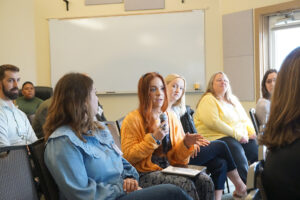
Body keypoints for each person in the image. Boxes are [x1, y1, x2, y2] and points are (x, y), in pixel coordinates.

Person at [43, 73, 192, 200]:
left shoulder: (98, 130)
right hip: (112, 197)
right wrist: (122, 187)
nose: (97, 98)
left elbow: (124, 162)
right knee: (172, 193)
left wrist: (130, 178)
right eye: (94, 93)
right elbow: (81, 194)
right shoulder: (63, 142)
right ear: (80, 101)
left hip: (121, 193)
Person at [121, 72, 214, 200]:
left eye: (162, 88)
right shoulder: (132, 119)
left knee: (205, 181)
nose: (159, 93)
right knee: (186, 184)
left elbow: (178, 159)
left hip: (170, 169)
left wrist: (185, 144)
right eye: (153, 89)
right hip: (145, 173)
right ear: (144, 93)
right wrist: (154, 139)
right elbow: (128, 157)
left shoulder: (170, 116)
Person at [165, 74, 247, 200]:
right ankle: (240, 186)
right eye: (174, 86)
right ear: (164, 87)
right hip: (177, 157)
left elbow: (183, 137)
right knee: (222, 145)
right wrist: (188, 145)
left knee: (221, 162)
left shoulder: (176, 110)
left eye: (181, 88)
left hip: (186, 150)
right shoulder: (162, 112)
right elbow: (171, 144)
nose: (177, 90)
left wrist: (191, 144)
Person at [193, 72, 258, 183]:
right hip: (215, 138)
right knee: (235, 147)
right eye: (219, 80)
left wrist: (250, 132)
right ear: (211, 84)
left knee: (254, 148)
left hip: (235, 137)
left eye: (225, 80)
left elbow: (244, 118)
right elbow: (213, 122)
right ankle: (246, 187)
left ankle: (260, 183)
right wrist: (237, 135)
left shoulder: (233, 99)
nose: (223, 82)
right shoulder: (208, 99)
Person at [260, 47, 300, 200]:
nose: (272, 84)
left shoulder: (285, 139)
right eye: (268, 81)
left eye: (274, 80)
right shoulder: (263, 104)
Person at [0, 64, 37, 147]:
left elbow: (35, 144)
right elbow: (4, 152)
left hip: (30, 159)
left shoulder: (21, 114)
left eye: (18, 80)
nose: (16, 85)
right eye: (10, 80)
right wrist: (27, 151)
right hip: (14, 160)